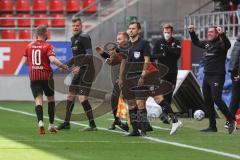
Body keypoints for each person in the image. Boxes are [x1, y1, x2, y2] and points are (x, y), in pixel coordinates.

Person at [119, 22, 172, 136]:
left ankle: (143, 129)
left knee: (140, 103)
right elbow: (124, 62)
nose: (131, 30)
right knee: (131, 104)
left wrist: (143, 75)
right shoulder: (126, 45)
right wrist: (121, 78)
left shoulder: (144, 43)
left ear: (139, 30)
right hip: (129, 77)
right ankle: (134, 130)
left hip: (140, 77)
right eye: (129, 29)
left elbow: (147, 60)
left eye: (133, 28)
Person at [188, 25, 236, 134]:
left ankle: (231, 120)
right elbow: (196, 42)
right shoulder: (207, 43)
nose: (209, 33)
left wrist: (222, 33)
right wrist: (192, 32)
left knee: (216, 99)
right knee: (208, 101)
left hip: (217, 75)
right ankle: (212, 126)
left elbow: (227, 45)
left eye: (211, 32)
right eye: (208, 31)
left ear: (217, 34)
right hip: (207, 76)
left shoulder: (221, 44)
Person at [22, 25, 68, 135]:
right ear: (45, 34)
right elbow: (52, 59)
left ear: (36, 34)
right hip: (46, 76)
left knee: (38, 100)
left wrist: (33, 65)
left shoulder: (29, 46)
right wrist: (62, 66)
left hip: (34, 76)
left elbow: (23, 62)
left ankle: (41, 123)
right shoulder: (48, 46)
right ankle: (51, 125)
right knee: (51, 99)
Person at [57, 17, 97, 131]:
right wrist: (65, 65)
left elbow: (89, 55)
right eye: (74, 26)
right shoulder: (73, 38)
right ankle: (66, 122)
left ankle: (92, 125)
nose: (75, 27)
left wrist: (79, 66)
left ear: (81, 26)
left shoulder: (84, 37)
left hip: (87, 71)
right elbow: (76, 57)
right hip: (78, 71)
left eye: (77, 25)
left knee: (82, 98)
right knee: (70, 95)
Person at [95, 32, 130, 131]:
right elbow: (111, 59)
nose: (117, 41)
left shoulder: (129, 49)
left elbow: (121, 60)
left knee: (128, 101)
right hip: (119, 79)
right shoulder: (118, 49)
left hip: (127, 78)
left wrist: (122, 77)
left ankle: (132, 124)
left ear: (126, 40)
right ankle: (117, 121)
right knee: (116, 100)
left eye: (120, 39)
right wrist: (102, 53)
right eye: (117, 39)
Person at [152, 23, 182, 133]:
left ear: (172, 32)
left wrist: (167, 49)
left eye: (168, 32)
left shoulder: (176, 42)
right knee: (161, 93)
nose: (166, 34)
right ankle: (166, 114)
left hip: (172, 72)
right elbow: (153, 55)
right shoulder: (158, 42)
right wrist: (161, 55)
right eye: (165, 31)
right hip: (161, 72)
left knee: (169, 93)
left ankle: (165, 114)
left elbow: (177, 55)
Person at [228, 36, 240, 127]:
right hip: (237, 73)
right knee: (235, 98)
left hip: (234, 72)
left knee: (234, 98)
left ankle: (229, 121)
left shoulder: (237, 43)